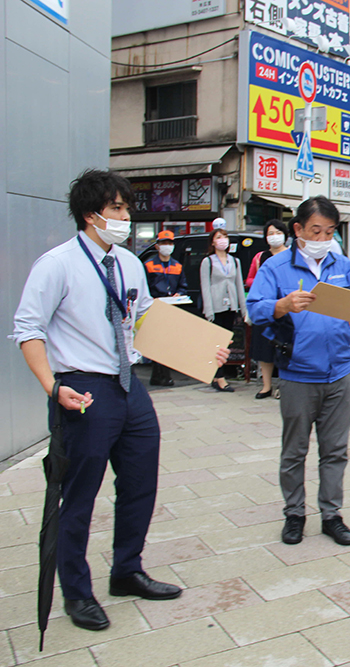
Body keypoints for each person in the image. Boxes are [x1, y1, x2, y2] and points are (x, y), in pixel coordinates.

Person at [12, 169, 228, 632]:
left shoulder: (129, 262)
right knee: (80, 495)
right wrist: (53, 386)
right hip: (84, 387)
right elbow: (27, 330)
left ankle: (126, 570)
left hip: (130, 386)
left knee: (139, 484)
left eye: (127, 208)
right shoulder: (57, 264)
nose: (126, 216)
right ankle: (76, 591)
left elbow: (146, 315)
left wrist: (202, 348)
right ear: (91, 215)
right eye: (118, 208)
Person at [246, 196, 350, 546]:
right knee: (294, 450)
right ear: (297, 230)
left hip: (339, 372)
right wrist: (281, 305)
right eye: (316, 230)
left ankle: (332, 515)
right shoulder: (276, 268)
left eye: (329, 231)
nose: (322, 238)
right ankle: (294, 514)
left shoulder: (341, 264)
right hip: (298, 373)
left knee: (335, 450)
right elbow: (255, 308)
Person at [200, 228, 248, 392]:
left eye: (225, 237)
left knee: (225, 342)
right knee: (216, 343)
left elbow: (238, 285)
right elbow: (205, 286)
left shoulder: (234, 261)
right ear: (212, 242)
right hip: (215, 305)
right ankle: (219, 377)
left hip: (231, 305)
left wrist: (243, 309)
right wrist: (208, 311)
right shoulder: (208, 261)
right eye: (219, 237)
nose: (222, 240)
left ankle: (215, 375)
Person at [245, 220, 289, 399]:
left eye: (278, 232)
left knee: (283, 347)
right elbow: (248, 280)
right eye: (270, 233)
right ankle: (266, 385)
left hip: (285, 308)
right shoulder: (259, 257)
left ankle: (282, 385)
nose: (274, 236)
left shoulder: (292, 256)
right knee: (264, 348)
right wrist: (262, 284)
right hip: (264, 307)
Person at [143, 230, 187, 386]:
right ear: (157, 246)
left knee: (168, 342)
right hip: (155, 306)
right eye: (163, 243)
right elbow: (144, 287)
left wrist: (179, 294)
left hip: (172, 307)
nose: (167, 246)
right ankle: (161, 375)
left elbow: (183, 286)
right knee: (157, 342)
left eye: (169, 243)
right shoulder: (148, 265)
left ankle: (161, 375)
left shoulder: (177, 266)